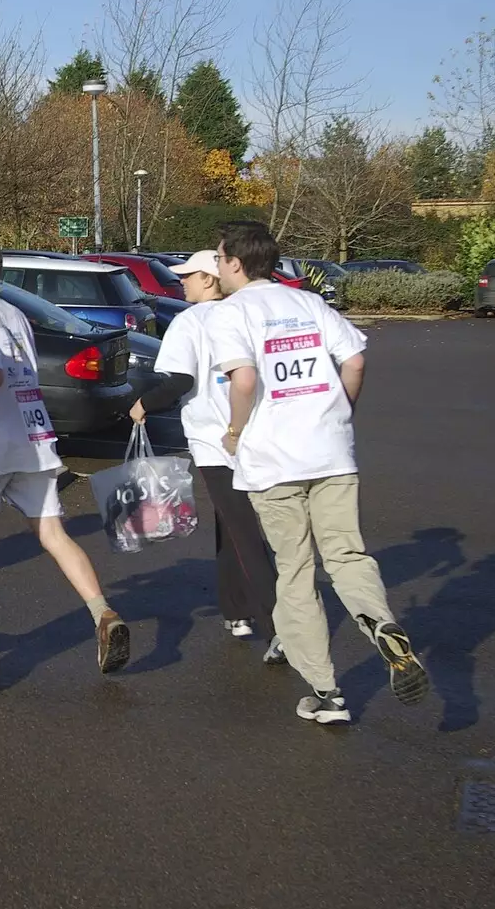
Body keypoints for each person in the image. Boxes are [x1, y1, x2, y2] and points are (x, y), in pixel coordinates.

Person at [210, 220, 429, 725]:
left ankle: (327, 692)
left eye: (220, 260)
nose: (218, 268)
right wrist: (339, 413)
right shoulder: (308, 303)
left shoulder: (232, 313)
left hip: (273, 459)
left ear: (236, 264)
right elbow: (354, 360)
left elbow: (243, 378)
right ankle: (383, 627)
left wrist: (235, 430)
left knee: (296, 570)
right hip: (330, 451)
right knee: (347, 554)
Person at [0, 235, 130, 673]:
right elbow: (2, 374)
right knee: (53, 534)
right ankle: (103, 613)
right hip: (33, 436)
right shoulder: (14, 314)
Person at [129, 250, 284, 665]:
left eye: (190, 276)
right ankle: (236, 610)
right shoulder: (247, 314)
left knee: (244, 531)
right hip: (257, 432)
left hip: (216, 440)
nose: (183, 282)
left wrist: (144, 403)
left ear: (210, 279)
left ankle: (281, 626)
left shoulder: (190, 321)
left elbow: (180, 379)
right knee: (230, 523)